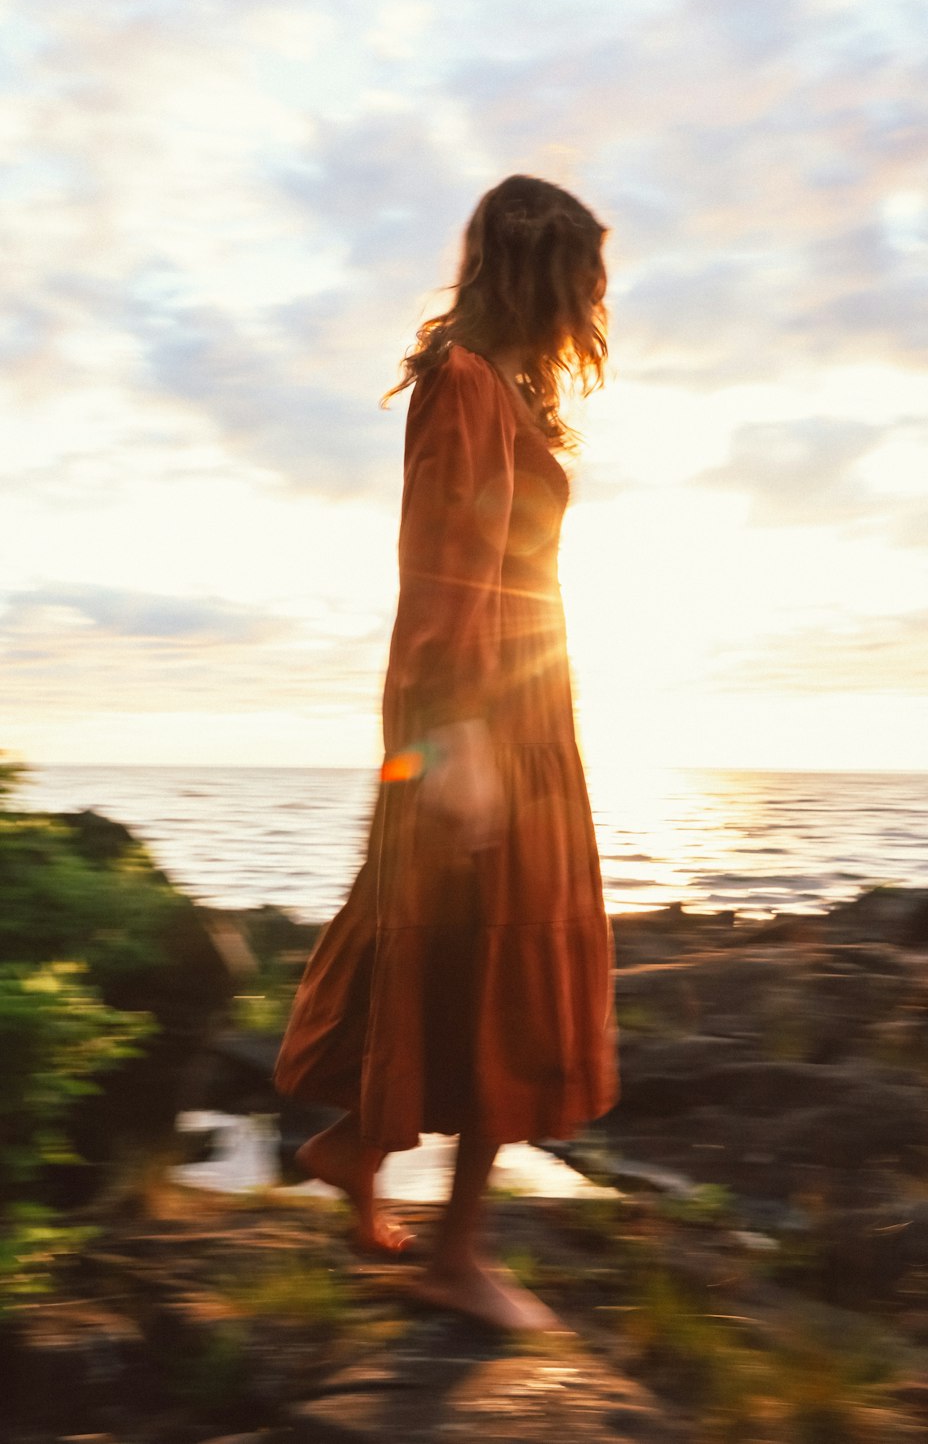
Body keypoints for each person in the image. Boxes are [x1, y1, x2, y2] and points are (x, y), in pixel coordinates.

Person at [273, 173, 619, 1332]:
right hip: (477, 718)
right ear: (541, 267)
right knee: (499, 972)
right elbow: (441, 572)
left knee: (445, 946)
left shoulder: (502, 390)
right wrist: (459, 741)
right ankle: (455, 1254)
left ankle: (348, 1148)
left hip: (517, 711)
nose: (592, 300)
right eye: (583, 275)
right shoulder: (465, 384)